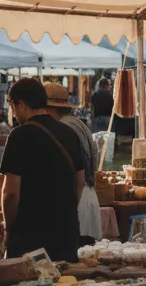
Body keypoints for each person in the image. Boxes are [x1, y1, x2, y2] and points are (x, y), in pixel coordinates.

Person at [0, 78, 85, 263]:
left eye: (13, 107)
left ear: (21, 105)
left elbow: (10, 193)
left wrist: (9, 228)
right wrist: (64, 212)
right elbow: (80, 183)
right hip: (66, 233)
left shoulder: (19, 135)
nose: (14, 114)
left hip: (29, 236)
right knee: (65, 280)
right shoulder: (70, 134)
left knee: (28, 280)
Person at [43, 82, 102, 245]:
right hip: (87, 194)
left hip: (76, 198)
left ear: (49, 109)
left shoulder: (62, 128)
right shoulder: (77, 123)